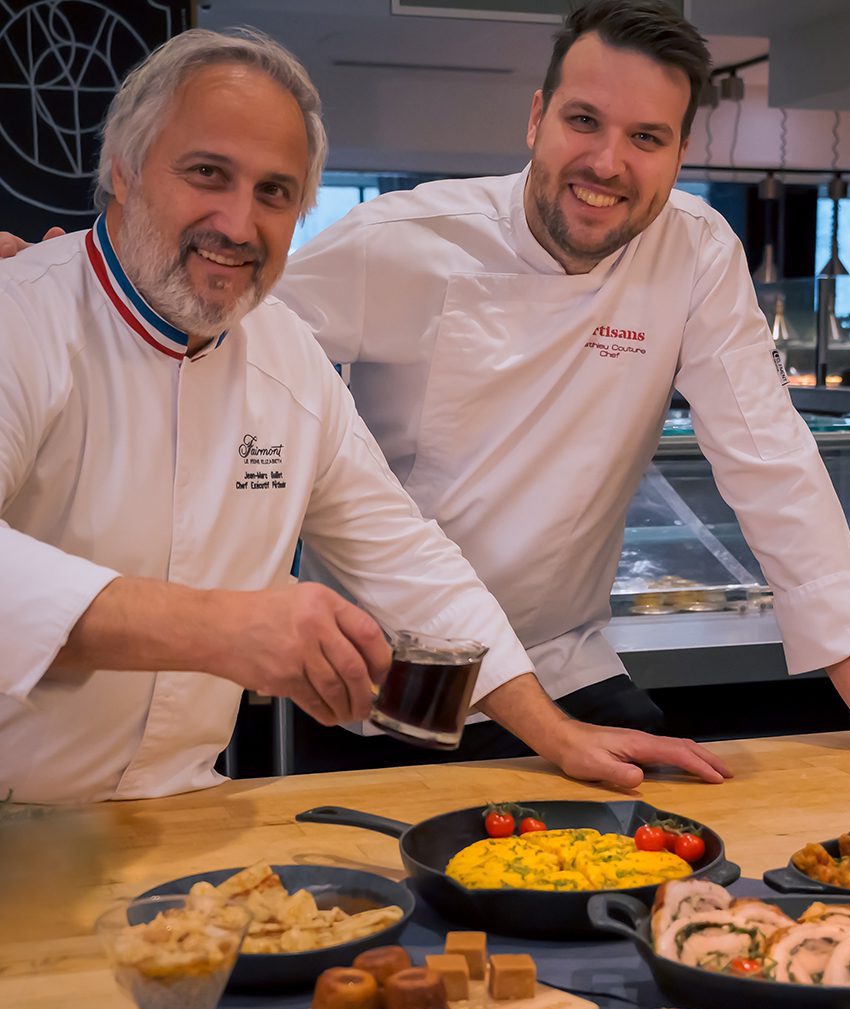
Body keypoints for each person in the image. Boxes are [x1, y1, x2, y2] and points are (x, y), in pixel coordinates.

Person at [1, 4, 850, 773]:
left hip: (556, 656)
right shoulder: (401, 240)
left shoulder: (695, 255)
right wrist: (78, 270)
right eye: (584, 121)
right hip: (396, 674)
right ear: (537, 116)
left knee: (650, 844)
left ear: (680, 153)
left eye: (647, 139)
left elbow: (772, 464)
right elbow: (213, 294)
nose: (608, 162)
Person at [0, 27, 731, 804]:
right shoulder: (23, 314)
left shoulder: (282, 351)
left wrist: (555, 732)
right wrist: (219, 627)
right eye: (207, 173)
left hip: (183, 809)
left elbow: (407, 560)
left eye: (275, 193)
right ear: (122, 166)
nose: (239, 225)